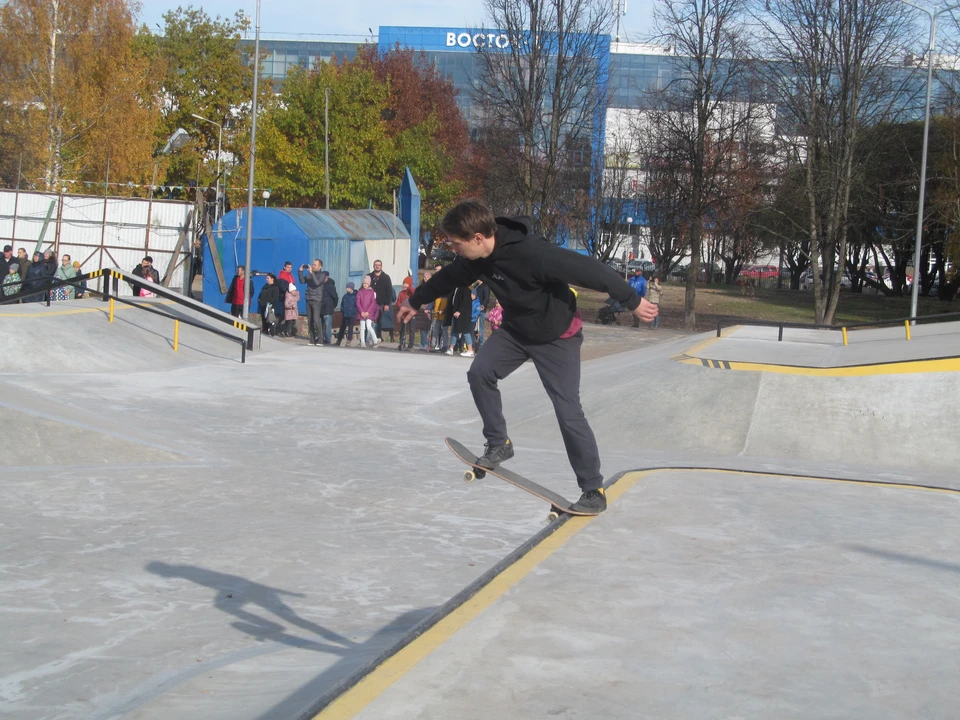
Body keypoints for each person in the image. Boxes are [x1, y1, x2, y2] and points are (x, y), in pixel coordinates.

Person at [398, 199, 658, 513]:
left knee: (567, 410)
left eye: (456, 244)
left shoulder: (533, 253)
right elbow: (447, 277)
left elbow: (590, 270)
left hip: (556, 337)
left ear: (478, 238)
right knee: (480, 372)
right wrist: (415, 302)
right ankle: (498, 443)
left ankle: (593, 489)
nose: (454, 250)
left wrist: (631, 299)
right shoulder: (474, 259)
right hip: (516, 331)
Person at [299, 259, 326, 345]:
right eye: (313, 264)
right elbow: (302, 281)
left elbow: (317, 283)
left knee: (316, 319)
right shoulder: (310, 274)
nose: (313, 266)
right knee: (310, 320)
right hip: (308, 298)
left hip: (316, 299)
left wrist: (311, 273)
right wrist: (300, 272)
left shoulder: (322, 275)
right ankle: (312, 339)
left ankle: (320, 339)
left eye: (315, 265)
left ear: (320, 266)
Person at [367, 259, 393, 340]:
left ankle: (378, 337)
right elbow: (363, 288)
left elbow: (389, 292)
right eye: (375, 265)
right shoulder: (369, 276)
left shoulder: (386, 277)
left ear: (381, 266)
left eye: (379, 265)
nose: (377, 266)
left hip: (380, 303)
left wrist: (387, 304)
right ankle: (367, 338)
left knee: (378, 320)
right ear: (373, 266)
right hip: (369, 303)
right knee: (368, 320)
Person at [446, 284, 474, 357]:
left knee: (465, 331)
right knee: (454, 330)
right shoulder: (455, 288)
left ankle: (470, 350)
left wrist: (459, 311)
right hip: (455, 313)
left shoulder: (465, 289)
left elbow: (465, 301)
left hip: (463, 314)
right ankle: (451, 348)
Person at [356, 275, 380, 348]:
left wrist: (368, 312)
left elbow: (373, 303)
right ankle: (362, 342)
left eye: (366, 283)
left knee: (369, 327)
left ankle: (375, 340)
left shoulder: (371, 292)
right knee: (362, 328)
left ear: (369, 284)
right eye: (364, 283)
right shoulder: (359, 292)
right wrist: (361, 312)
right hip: (362, 313)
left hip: (369, 313)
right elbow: (357, 303)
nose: (365, 285)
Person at [335, 281, 358, 346]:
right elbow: (342, 304)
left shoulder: (356, 296)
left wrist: (355, 311)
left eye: (348, 288)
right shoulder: (345, 296)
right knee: (342, 328)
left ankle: (349, 340)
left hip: (352, 315)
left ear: (351, 288)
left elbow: (357, 305)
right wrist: (343, 311)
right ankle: (339, 340)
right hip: (345, 314)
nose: (347, 289)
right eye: (346, 287)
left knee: (350, 328)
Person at [319, 271, 339, 345]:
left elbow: (335, 297)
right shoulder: (320, 284)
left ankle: (327, 339)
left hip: (328, 307)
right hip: (320, 307)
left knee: (327, 324)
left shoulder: (330, 285)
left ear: (327, 277)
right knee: (320, 324)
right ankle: (320, 337)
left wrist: (334, 305)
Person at [396, 277, 416, 351]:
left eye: (406, 284)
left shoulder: (412, 292)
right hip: (404, 314)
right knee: (403, 329)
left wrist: (409, 288)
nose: (404, 285)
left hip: (412, 314)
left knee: (412, 329)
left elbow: (415, 292)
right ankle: (402, 342)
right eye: (404, 283)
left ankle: (411, 345)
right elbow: (398, 302)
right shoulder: (401, 293)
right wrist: (401, 307)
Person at [474, 280, 490, 349]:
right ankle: (475, 344)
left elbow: (486, 298)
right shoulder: (476, 286)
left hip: (480, 310)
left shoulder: (485, 286)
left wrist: (482, 305)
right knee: (474, 328)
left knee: (480, 328)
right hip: (474, 310)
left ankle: (481, 345)